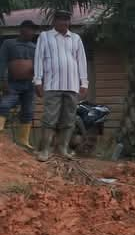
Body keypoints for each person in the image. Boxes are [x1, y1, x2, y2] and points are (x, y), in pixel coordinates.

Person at [33, 9, 88, 162]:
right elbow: (39, 59)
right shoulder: (45, 36)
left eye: (66, 20)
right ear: (54, 21)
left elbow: (81, 61)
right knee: (50, 118)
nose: (64, 22)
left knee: (69, 119)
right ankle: (45, 149)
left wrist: (84, 82)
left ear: (69, 22)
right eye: (61, 19)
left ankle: (63, 149)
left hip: (71, 85)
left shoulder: (76, 38)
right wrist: (38, 80)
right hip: (52, 85)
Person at [0, 20, 37, 148]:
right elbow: (2, 62)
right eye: (29, 29)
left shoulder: (34, 47)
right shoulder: (9, 43)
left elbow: (38, 66)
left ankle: (23, 140)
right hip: (12, 83)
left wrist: (38, 81)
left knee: (28, 111)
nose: (31, 32)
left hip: (29, 84)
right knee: (5, 104)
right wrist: (3, 81)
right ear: (22, 29)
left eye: (33, 30)